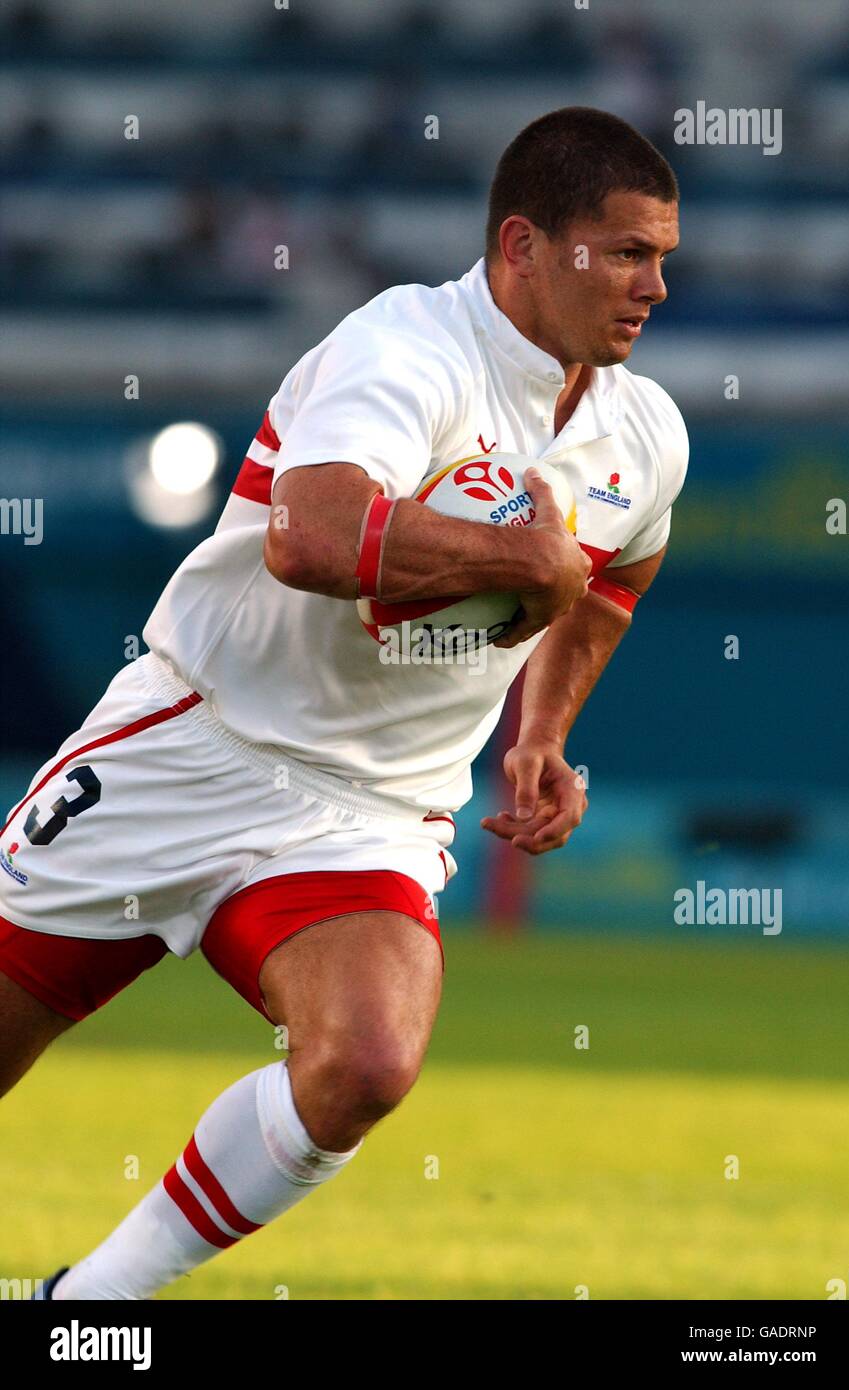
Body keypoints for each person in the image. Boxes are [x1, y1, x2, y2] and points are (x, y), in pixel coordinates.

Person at [1, 106, 686, 1300]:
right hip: (194, 738)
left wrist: (541, 732)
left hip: (369, 810)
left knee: (363, 1062)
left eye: (661, 256)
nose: (653, 287)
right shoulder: (405, 347)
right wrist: (516, 560)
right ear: (523, 245)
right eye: (622, 254)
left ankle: (85, 1307)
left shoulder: (645, 433)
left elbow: (616, 573)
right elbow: (308, 536)